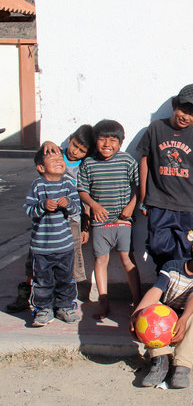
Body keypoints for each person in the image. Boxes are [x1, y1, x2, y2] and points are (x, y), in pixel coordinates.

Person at [6, 125, 93, 313]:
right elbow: (42, 159)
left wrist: (85, 226)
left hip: (71, 221)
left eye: (81, 151)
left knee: (69, 265)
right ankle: (27, 295)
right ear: (70, 139)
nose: (75, 152)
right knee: (36, 263)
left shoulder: (85, 166)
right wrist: (46, 142)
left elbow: (84, 197)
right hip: (45, 224)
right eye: (75, 146)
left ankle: (66, 302)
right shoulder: (55, 154)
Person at [131, 230, 193, 388]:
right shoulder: (172, 266)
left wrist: (183, 320)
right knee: (153, 309)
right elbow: (156, 290)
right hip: (167, 324)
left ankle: (182, 367)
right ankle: (160, 361)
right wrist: (136, 316)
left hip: (192, 326)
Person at [137, 84, 193, 273]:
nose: (186, 116)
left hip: (186, 206)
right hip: (159, 202)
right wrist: (143, 195)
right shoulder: (156, 128)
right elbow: (145, 160)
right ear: (175, 106)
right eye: (183, 109)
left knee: (184, 249)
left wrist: (189, 185)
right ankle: (164, 278)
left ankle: (176, 289)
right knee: (157, 246)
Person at [77, 119, 141, 319]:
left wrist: (131, 207)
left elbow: (139, 186)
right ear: (95, 141)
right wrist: (94, 206)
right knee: (100, 259)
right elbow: (82, 190)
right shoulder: (88, 163)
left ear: (120, 143)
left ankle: (138, 300)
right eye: (102, 139)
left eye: (113, 140)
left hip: (123, 221)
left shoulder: (127, 161)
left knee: (127, 259)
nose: (107, 144)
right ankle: (103, 299)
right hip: (100, 222)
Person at [24, 145, 82, 326]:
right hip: (41, 248)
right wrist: (42, 206)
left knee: (66, 279)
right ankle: (43, 309)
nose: (59, 162)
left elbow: (77, 209)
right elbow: (28, 210)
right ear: (41, 168)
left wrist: (68, 204)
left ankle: (64, 307)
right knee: (42, 281)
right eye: (53, 160)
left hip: (64, 246)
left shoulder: (68, 185)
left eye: (60, 160)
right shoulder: (37, 185)